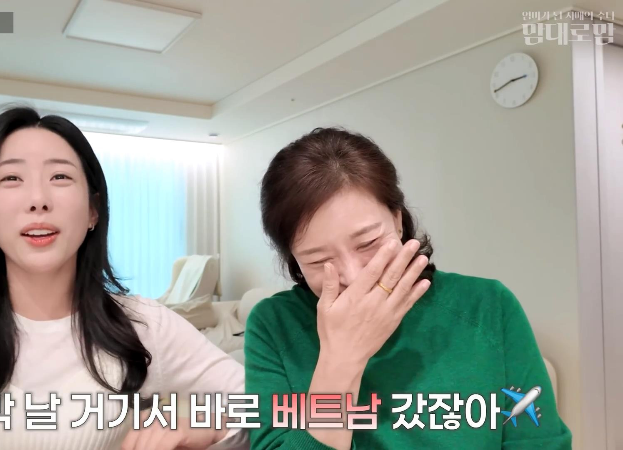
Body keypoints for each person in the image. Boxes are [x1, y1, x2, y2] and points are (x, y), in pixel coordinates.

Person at [0, 107, 246, 450]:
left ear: (93, 211)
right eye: (11, 179)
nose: (38, 200)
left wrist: (206, 423)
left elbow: (271, 405)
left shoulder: (143, 325)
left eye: (60, 178)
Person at [245, 127, 572, 449]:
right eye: (319, 260)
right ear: (294, 260)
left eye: (368, 242)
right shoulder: (274, 325)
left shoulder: (488, 305)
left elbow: (540, 441)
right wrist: (342, 360)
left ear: (398, 220)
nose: (354, 276)